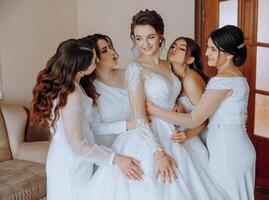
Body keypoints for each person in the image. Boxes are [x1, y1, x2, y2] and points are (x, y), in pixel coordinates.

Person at [88, 9, 230, 200]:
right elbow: (139, 115)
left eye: (150, 37)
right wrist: (158, 154)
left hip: (175, 131)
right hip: (149, 137)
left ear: (161, 36)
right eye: (138, 38)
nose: (144, 44)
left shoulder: (168, 64)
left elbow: (175, 94)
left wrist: (179, 105)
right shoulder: (135, 68)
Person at [147, 25, 256, 200]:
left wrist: (154, 110)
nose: (206, 54)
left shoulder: (223, 79)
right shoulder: (233, 77)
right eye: (207, 48)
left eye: (213, 49)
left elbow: (193, 119)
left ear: (229, 54)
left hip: (228, 149)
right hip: (232, 145)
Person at [30, 38, 142, 200]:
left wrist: (127, 125)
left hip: (78, 160)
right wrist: (117, 160)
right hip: (70, 163)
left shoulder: (73, 86)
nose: (97, 61)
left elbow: (91, 127)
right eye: (94, 59)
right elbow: (78, 145)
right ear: (80, 70)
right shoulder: (71, 94)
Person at [82, 34, 135, 147]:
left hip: (135, 140)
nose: (112, 52)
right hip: (108, 148)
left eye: (111, 47)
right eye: (105, 50)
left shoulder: (130, 74)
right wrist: (127, 125)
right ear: (94, 58)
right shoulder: (89, 88)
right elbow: (94, 128)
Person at [167, 36, 208, 145]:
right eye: (173, 46)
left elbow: (205, 118)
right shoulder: (170, 77)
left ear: (190, 60)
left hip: (201, 135)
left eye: (182, 49)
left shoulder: (189, 79)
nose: (174, 49)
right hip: (185, 133)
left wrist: (187, 135)